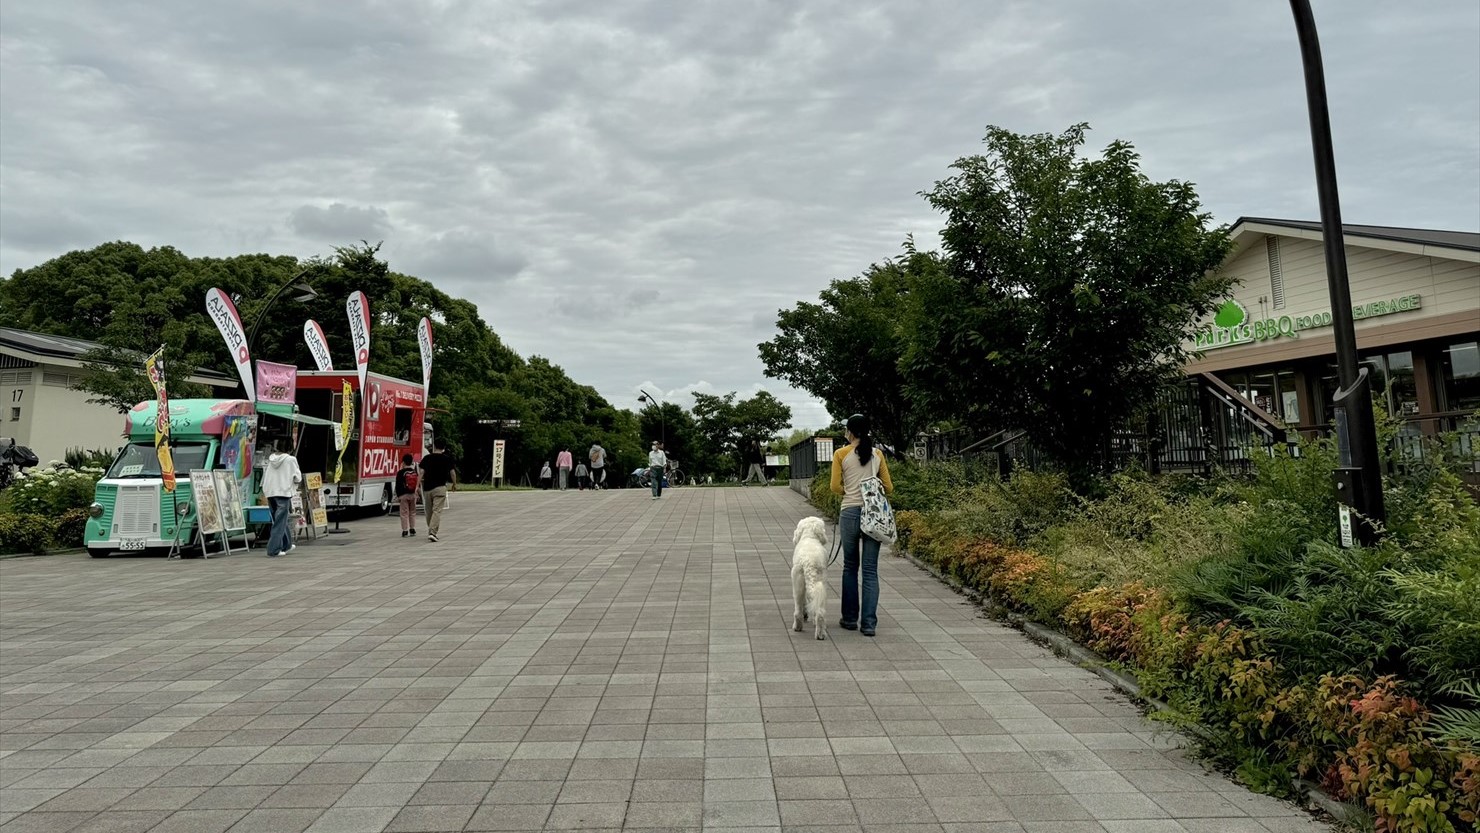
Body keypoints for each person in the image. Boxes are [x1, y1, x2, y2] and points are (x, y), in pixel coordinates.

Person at [830, 414, 893, 637]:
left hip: (850, 512)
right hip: (873, 514)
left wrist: (850, 490)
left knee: (850, 566)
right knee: (870, 570)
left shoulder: (841, 454)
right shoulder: (878, 454)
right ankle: (868, 624)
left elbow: (835, 487)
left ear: (850, 431)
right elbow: (888, 486)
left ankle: (849, 619)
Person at [261, 442, 302, 557]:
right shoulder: (291, 460)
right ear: (289, 449)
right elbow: (297, 477)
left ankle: (287, 544)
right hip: (283, 492)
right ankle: (273, 549)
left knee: (279, 520)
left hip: (270, 492)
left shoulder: (271, 459)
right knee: (280, 521)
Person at [418, 441, 458, 543]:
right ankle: (432, 532)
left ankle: (431, 530)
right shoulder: (447, 459)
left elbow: (421, 472)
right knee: (437, 511)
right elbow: (452, 472)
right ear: (443, 448)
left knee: (429, 511)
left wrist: (417, 485)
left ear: (434, 447)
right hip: (440, 487)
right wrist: (454, 484)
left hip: (427, 488)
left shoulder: (427, 458)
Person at [394, 453, 419, 537]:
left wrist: (398, 496)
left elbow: (398, 485)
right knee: (412, 512)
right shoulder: (414, 472)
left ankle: (405, 530)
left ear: (403, 462)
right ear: (412, 462)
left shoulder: (400, 473)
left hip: (403, 495)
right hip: (413, 495)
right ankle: (412, 529)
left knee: (404, 513)